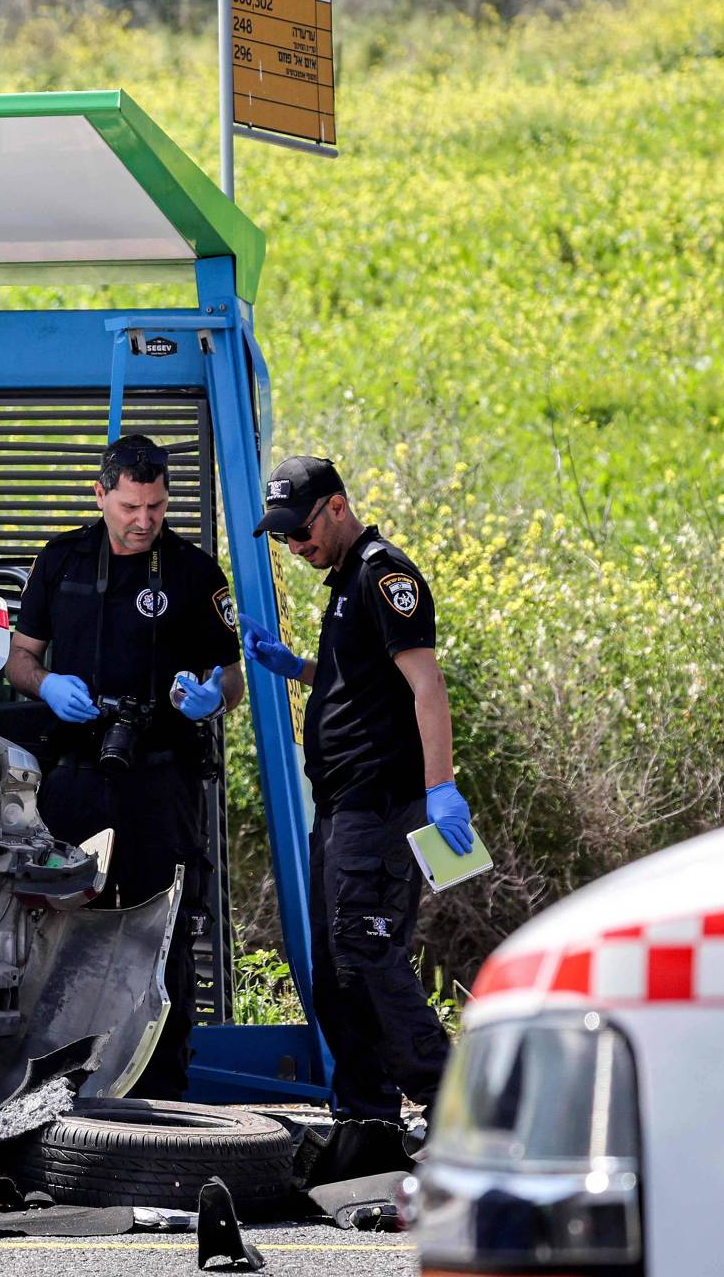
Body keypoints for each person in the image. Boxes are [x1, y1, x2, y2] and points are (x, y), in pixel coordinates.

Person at [237, 455, 476, 1126]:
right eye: (283, 537)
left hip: (379, 804)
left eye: (301, 530)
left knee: (368, 953)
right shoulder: (343, 580)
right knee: (337, 972)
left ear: (336, 508)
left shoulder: (382, 573)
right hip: (342, 807)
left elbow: (426, 687)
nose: (295, 546)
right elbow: (362, 683)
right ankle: (366, 1116)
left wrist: (442, 788)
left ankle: (453, 1101)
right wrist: (298, 668)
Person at [4, 433, 243, 1098]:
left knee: (162, 928)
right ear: (101, 494)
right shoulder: (62, 562)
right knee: (56, 922)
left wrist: (210, 699)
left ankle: (160, 1088)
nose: (144, 522)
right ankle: (47, 1081)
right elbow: (19, 659)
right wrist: (46, 685)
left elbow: (232, 675)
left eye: (158, 508)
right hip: (76, 775)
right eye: (131, 507)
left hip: (159, 777)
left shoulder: (194, 572)